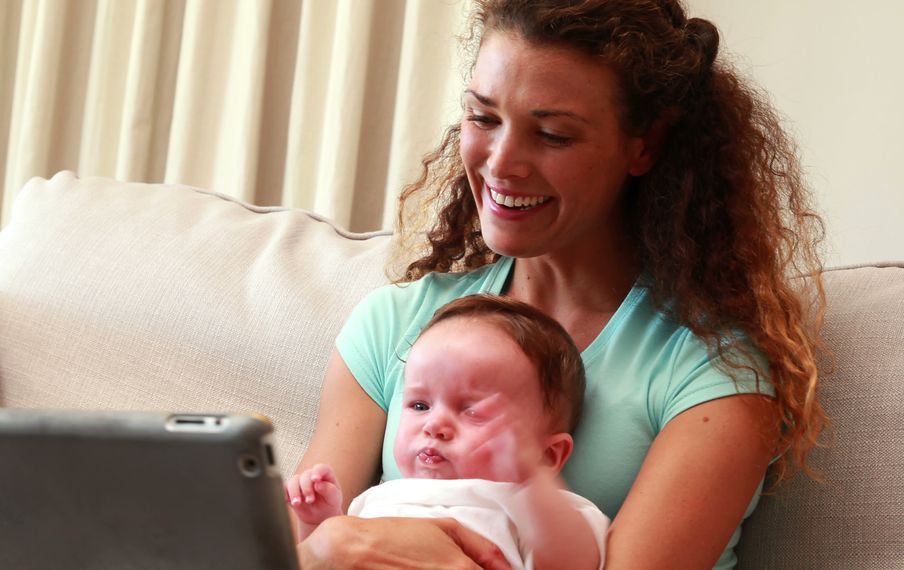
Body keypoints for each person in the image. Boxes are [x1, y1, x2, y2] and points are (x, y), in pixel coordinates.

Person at [295, 1, 827, 569]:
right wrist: (329, 542)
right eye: (483, 118)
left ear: (643, 145)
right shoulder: (396, 324)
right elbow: (284, 543)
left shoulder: (710, 369)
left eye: (551, 135)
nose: (502, 164)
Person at [286, 294, 609, 570]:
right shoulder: (378, 496)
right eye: (419, 405)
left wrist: (536, 483)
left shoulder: (532, 506)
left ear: (547, 455)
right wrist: (319, 521)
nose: (434, 425)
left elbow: (572, 562)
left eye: (473, 411)